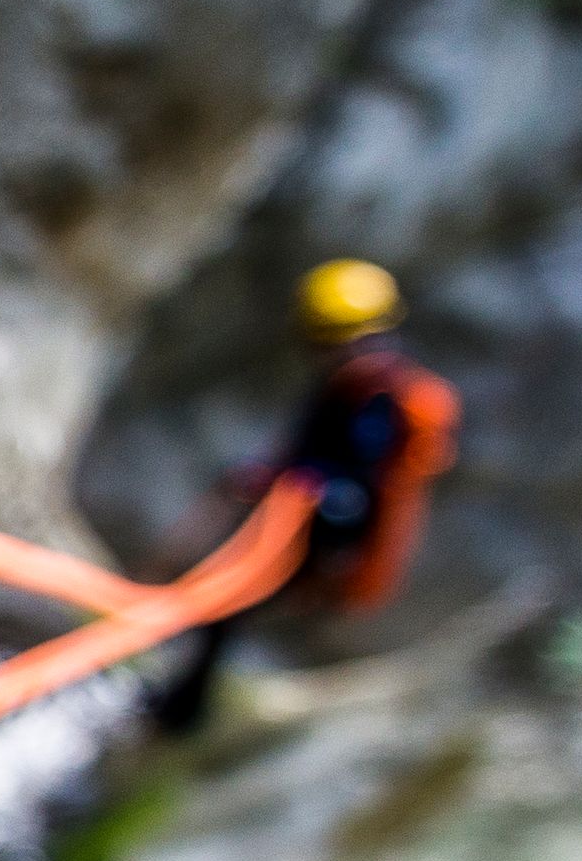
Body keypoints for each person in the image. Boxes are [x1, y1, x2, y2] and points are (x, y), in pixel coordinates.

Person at [144, 258, 462, 733]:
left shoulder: (380, 398)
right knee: (223, 608)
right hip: (302, 524)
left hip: (319, 532)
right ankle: (175, 695)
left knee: (228, 607)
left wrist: (301, 487)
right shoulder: (355, 387)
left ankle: (180, 710)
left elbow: (360, 481)